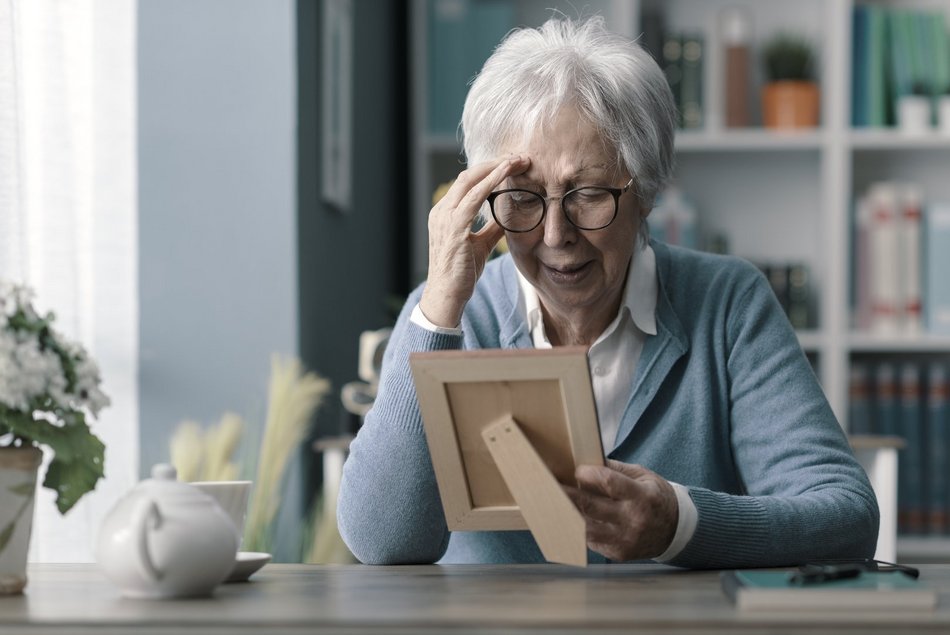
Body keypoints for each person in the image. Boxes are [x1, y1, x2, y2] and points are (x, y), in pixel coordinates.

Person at [337, 15, 879, 567]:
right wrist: (438, 311)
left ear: (646, 192)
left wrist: (678, 524)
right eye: (521, 198)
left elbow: (846, 518)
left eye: (588, 193)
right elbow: (382, 541)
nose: (556, 236)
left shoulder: (727, 304)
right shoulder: (451, 317)